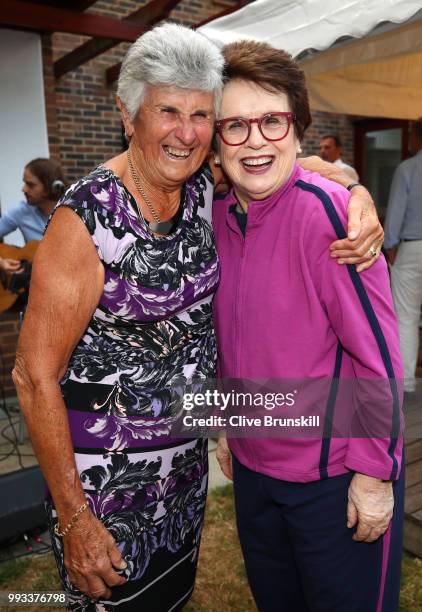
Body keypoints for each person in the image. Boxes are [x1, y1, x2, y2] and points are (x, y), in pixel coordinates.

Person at [13, 24, 382, 611]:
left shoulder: (198, 192)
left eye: (201, 115)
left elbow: (281, 158)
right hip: (106, 487)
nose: (185, 132)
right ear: (128, 112)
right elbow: (32, 378)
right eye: (167, 110)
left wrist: (353, 188)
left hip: (185, 470)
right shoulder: (84, 219)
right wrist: (74, 517)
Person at [213, 41, 403, 612]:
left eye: (272, 121)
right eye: (235, 125)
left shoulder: (329, 216)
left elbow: (380, 357)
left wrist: (374, 475)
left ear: (297, 130)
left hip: (333, 480)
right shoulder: (216, 216)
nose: (255, 142)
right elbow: (228, 336)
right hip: (252, 474)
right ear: (215, 140)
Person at [384, 118, 422, 395]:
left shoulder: (409, 168)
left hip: (412, 248)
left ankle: (406, 381)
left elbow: (395, 211)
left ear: (416, 138)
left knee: (406, 315)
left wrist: (390, 246)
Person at [0, 158, 65, 273]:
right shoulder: (22, 211)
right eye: (25, 183)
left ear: (49, 187)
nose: (23, 189)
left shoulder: (72, 212)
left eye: (30, 185)